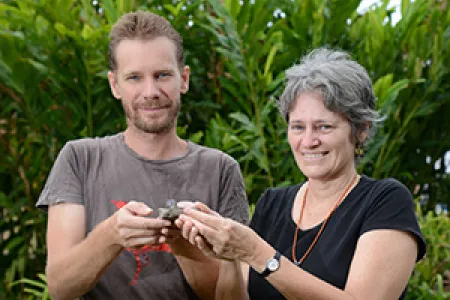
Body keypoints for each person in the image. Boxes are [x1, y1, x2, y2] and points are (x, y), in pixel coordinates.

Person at [177, 48, 426, 300]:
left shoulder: (385, 202)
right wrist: (229, 253)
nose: (308, 141)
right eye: (298, 127)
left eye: (324, 127)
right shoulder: (272, 203)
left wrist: (257, 253)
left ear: (361, 130)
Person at [36, 11, 249, 300]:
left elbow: (232, 296)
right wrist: (111, 234)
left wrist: (183, 244)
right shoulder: (79, 159)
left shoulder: (221, 169)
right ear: (115, 85)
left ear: (183, 79)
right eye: (134, 77)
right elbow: (60, 287)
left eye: (162, 75)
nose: (150, 91)